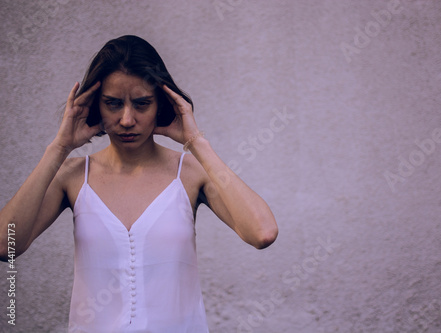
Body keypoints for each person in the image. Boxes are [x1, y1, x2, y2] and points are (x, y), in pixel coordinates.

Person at [0, 35, 278, 332]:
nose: (127, 119)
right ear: (96, 105)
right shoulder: (72, 176)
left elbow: (262, 232)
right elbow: (7, 244)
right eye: (113, 104)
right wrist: (58, 149)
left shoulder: (190, 173)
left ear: (162, 104)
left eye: (142, 104)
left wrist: (197, 143)